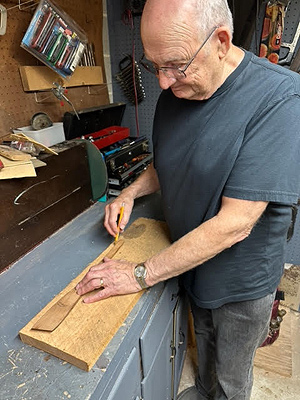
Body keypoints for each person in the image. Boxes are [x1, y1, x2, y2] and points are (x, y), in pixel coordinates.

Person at [76, 0, 300, 398]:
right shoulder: (177, 86)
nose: (162, 82)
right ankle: (202, 389)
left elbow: (236, 223)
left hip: (239, 280)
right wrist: (129, 191)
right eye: (153, 66)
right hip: (188, 257)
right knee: (205, 346)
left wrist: (138, 274)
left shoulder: (279, 99)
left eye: (175, 64)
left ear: (220, 41)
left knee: (232, 376)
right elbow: (167, 162)